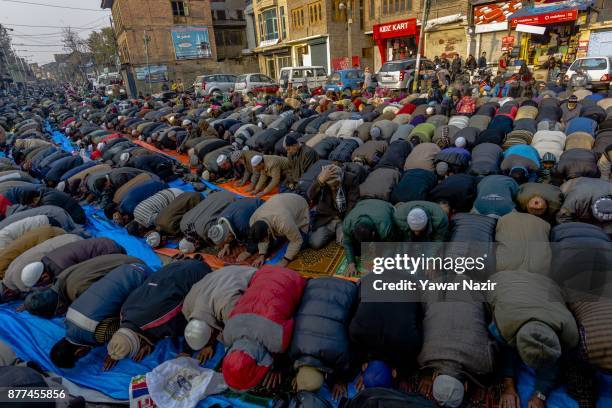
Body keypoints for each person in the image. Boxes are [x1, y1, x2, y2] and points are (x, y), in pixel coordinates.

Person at [103, 260, 212, 370]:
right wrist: (115, 349)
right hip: (173, 267)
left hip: (198, 272)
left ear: (140, 341)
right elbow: (134, 328)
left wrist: (187, 351)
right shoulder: (124, 311)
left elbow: (192, 324)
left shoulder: (164, 319)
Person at [49, 263, 152, 368]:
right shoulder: (68, 318)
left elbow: (131, 325)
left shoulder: (98, 334)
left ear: (79, 352)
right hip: (127, 267)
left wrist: (116, 350)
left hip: (146, 280)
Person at [222, 265, 306, 392]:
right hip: (263, 273)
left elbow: (291, 324)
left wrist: (277, 368)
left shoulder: (277, 340)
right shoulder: (227, 332)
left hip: (293, 279)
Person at [288, 277, 358, 399]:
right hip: (315, 284)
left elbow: (350, 363)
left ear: (326, 375)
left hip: (348, 288)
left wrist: (340, 381)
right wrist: (303, 380)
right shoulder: (292, 350)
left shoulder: (339, 354)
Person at [23, 254, 143, 318]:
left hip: (136, 269)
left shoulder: (78, 291)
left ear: (59, 306)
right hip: (125, 260)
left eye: (59, 314)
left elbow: (112, 302)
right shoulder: (60, 279)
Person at [182, 265, 257, 363]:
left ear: (213, 333)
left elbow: (248, 334)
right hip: (225, 274)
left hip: (250, 275)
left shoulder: (228, 307)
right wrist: (208, 344)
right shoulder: (187, 307)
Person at [242, 193, 310, 267]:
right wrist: (262, 254)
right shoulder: (253, 220)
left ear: (268, 231)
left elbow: (297, 240)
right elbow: (262, 238)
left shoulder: (283, 222)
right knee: (274, 243)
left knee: (303, 244)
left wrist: (285, 260)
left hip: (299, 204)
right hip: (280, 201)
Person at [307, 164, 360, 249]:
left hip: (343, 218)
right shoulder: (321, 178)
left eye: (336, 185)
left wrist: (346, 225)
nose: (333, 188)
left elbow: (352, 204)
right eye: (331, 186)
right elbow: (310, 195)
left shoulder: (351, 179)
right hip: (327, 218)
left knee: (347, 243)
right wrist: (319, 181)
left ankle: (339, 233)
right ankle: (333, 233)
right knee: (314, 243)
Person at [342, 199, 395, 276]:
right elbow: (347, 243)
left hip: (385, 206)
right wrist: (351, 263)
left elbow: (390, 246)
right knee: (357, 251)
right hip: (363, 203)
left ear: (373, 234)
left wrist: (382, 263)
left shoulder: (385, 227)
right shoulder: (348, 224)